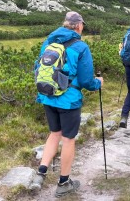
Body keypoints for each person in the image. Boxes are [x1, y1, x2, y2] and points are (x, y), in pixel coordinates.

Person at [34, 11, 103, 198]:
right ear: (79, 26)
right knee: (68, 138)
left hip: (47, 96)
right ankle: (64, 182)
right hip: (69, 100)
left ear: (65, 25)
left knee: (54, 133)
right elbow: (87, 80)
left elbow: (38, 68)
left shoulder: (48, 42)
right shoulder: (81, 46)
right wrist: (98, 83)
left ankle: (41, 172)